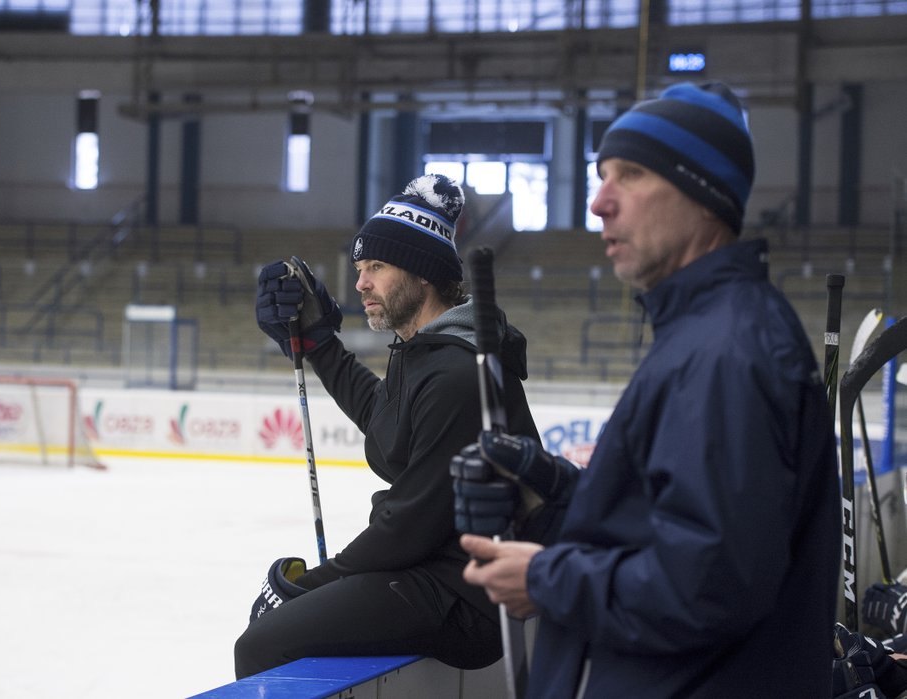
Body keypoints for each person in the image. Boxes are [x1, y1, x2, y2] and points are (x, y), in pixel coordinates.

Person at [453, 81, 841, 697]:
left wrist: (547, 579)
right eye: (601, 175)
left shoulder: (726, 353)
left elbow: (711, 586)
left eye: (630, 174)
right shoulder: (704, 335)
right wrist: (552, 486)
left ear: (704, 194)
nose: (599, 203)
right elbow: (667, 528)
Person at [235, 174, 542, 678]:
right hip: (434, 566)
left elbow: (406, 527)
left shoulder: (458, 374)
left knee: (262, 646)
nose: (360, 283)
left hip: (466, 593)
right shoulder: (425, 353)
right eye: (360, 267)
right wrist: (318, 341)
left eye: (376, 266)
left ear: (422, 273)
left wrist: (309, 584)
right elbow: (386, 421)